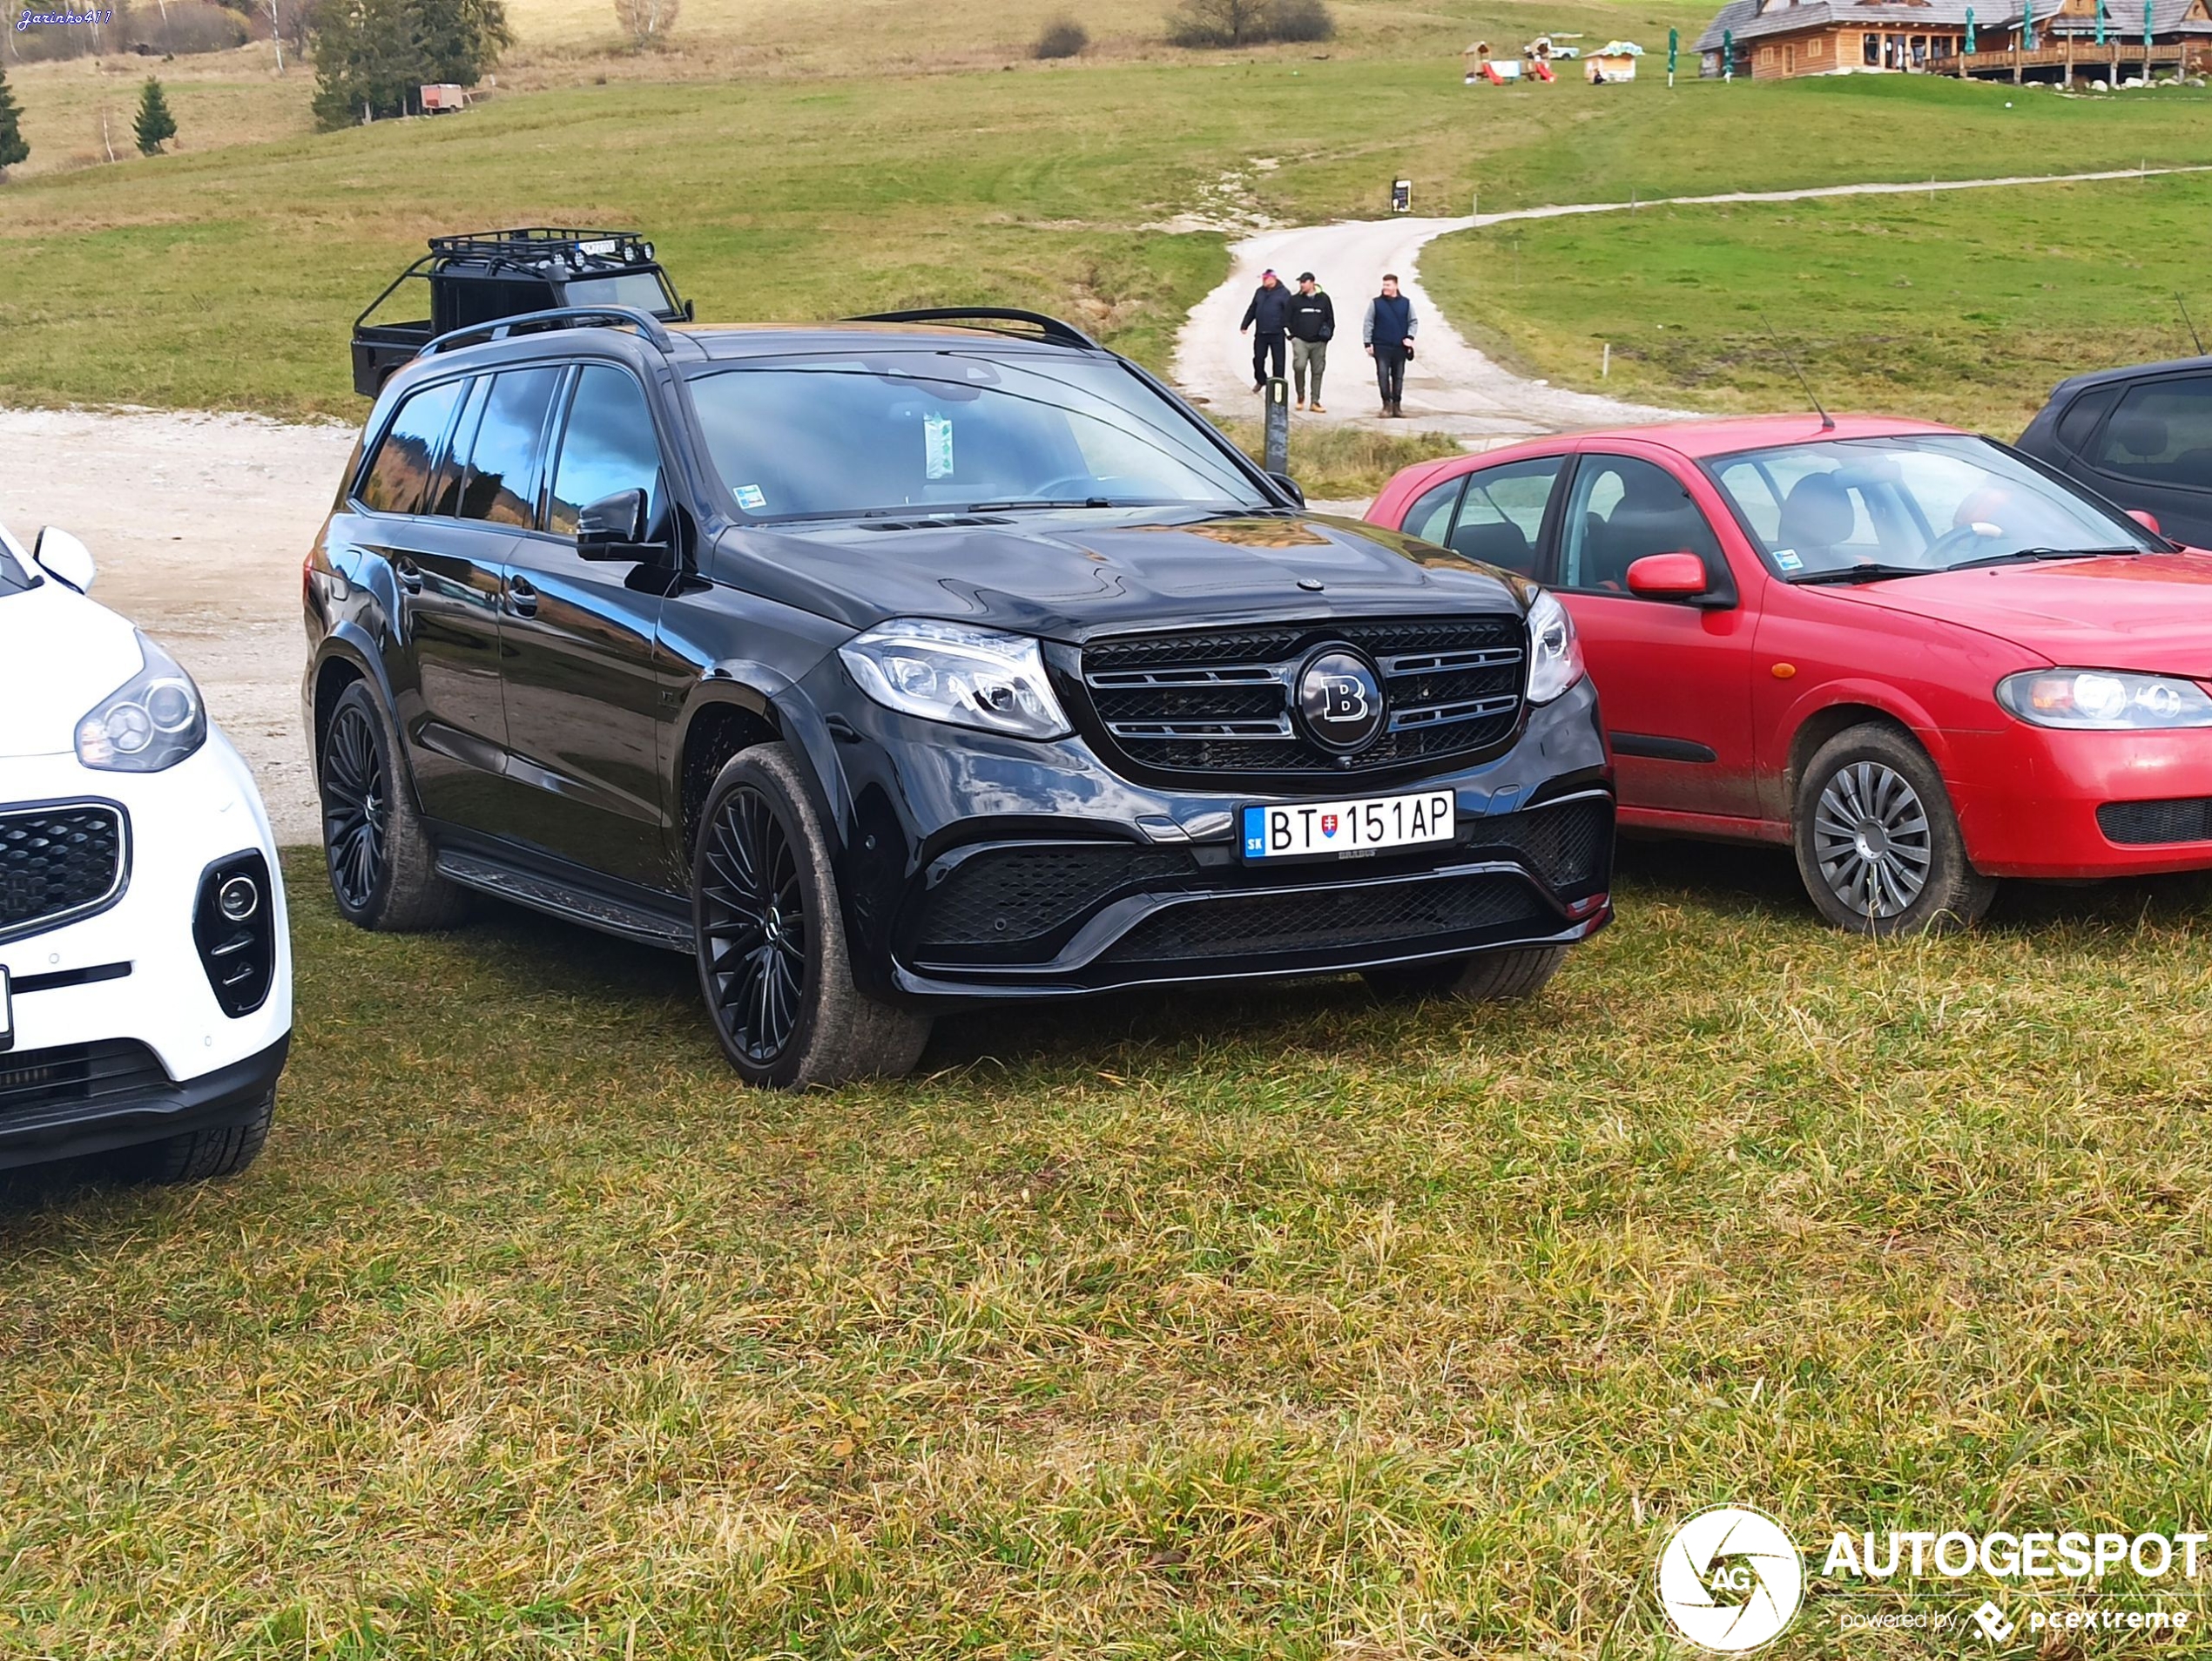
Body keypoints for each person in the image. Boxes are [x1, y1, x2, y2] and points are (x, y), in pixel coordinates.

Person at [1362, 273, 1418, 418]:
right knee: (1382, 375)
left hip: (1400, 347)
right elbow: (1368, 323)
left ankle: (1397, 406)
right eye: (1384, 285)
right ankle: (1386, 405)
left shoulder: (1406, 303)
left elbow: (1413, 321)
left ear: (1396, 286)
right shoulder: (1376, 303)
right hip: (1381, 346)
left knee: (1398, 376)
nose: (1385, 288)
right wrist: (1368, 342)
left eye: (1388, 285)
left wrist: (1410, 337)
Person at [1285, 272, 1335, 413]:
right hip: (1300, 340)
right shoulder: (1294, 300)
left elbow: (1330, 319)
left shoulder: (1324, 299)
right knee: (1299, 366)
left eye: (1304, 282)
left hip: (1319, 342)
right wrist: (1292, 337)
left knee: (1318, 371)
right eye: (1300, 282)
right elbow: (1286, 320)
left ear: (1312, 283)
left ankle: (1315, 401)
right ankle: (1300, 396)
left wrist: (1327, 336)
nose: (1301, 285)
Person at [1238, 268, 1292, 393]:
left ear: (1273, 278)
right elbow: (1252, 309)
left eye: (1265, 278)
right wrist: (1245, 324)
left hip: (1277, 333)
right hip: (1261, 332)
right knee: (1258, 359)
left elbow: (1289, 313)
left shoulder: (1284, 293)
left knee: (1278, 361)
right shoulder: (1259, 292)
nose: (1263, 281)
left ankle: (1277, 386)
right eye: (1262, 278)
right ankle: (1261, 380)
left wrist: (1291, 330)